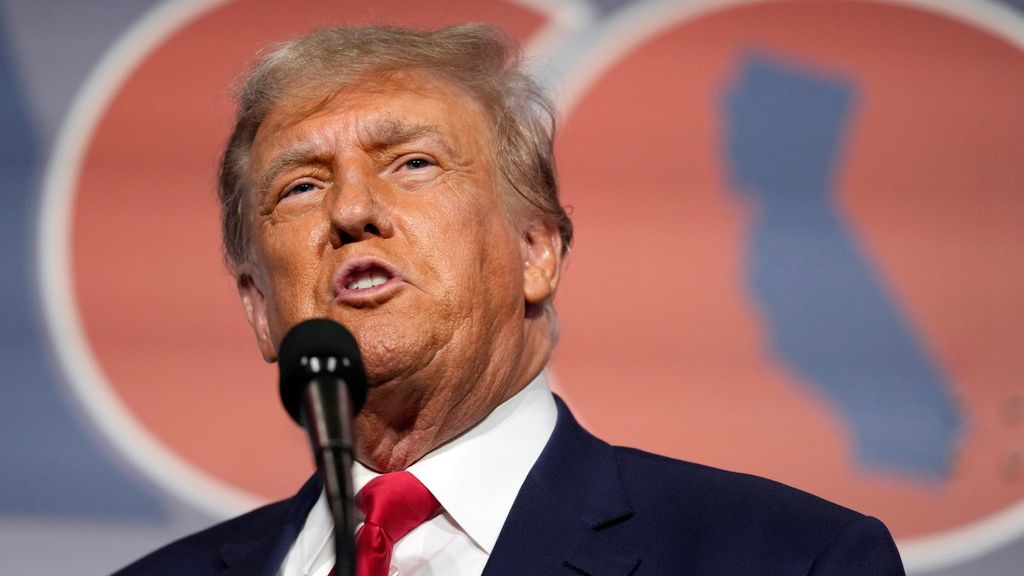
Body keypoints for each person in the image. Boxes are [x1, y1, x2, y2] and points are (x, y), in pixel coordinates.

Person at [113, 24, 905, 576]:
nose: (351, 209)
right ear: (258, 307)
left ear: (536, 252)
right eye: (303, 184)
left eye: (413, 163)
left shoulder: (784, 560)